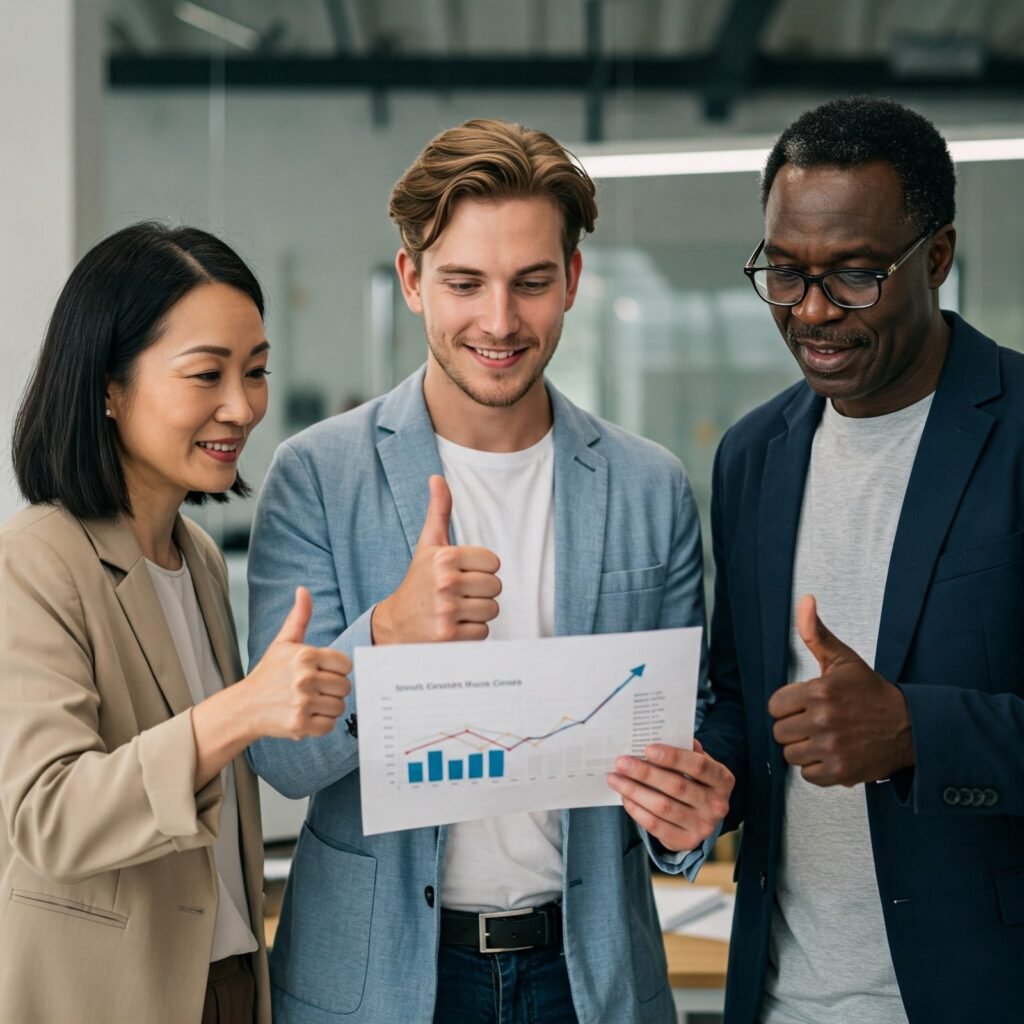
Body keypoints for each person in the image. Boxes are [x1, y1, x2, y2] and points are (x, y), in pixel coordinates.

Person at [246, 118, 734, 1024]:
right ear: (411, 281)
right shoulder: (316, 475)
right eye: (465, 283)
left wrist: (687, 820)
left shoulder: (649, 486)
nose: (500, 321)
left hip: (586, 975)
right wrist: (387, 632)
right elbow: (280, 758)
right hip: (380, 983)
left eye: (532, 283)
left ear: (573, 283)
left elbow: (685, 740)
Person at [696, 95, 1024, 1024]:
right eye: (786, 273)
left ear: (939, 258)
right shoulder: (753, 454)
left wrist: (917, 731)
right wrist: (706, 778)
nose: (811, 312)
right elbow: (737, 695)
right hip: (781, 997)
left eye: (853, 277)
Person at [0, 222, 352, 1024]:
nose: (242, 406)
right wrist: (241, 711)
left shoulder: (194, 556)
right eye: (207, 374)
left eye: (257, 371)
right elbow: (46, 816)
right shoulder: (33, 561)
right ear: (108, 387)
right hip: (112, 997)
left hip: (227, 983)